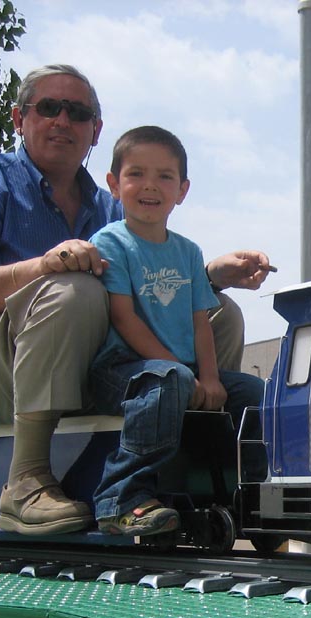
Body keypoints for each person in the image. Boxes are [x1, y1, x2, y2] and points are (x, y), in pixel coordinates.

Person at [0, 64, 273, 536]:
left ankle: (201, 463)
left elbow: (154, 282)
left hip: (93, 365)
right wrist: (44, 266)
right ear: (18, 119)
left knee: (222, 312)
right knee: (75, 290)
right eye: (48, 108)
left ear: (96, 130)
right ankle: (26, 478)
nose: (63, 121)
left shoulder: (114, 205)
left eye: (79, 112)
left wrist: (211, 275)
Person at [88, 125, 264, 536]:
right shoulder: (111, 242)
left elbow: (200, 319)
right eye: (136, 174)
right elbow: (123, 317)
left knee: (253, 393)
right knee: (170, 379)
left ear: (182, 190)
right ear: (114, 184)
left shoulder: (188, 251)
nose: (150, 186)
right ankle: (122, 497)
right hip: (120, 370)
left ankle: (251, 494)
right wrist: (181, 372)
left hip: (180, 370)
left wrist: (210, 377)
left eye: (164, 176)